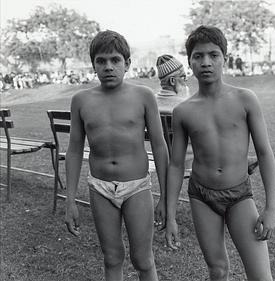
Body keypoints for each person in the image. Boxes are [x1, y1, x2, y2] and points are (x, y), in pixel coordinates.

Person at [165, 25, 275, 281]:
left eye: (213, 55)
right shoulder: (183, 111)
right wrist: (171, 215)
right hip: (201, 195)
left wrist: (271, 209)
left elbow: (264, 153)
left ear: (224, 58)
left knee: (261, 276)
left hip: (239, 195)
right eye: (198, 56)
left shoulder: (245, 99)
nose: (206, 62)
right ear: (189, 62)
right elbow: (175, 165)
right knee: (217, 269)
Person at [64, 30, 168, 281]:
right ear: (93, 65)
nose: (108, 67)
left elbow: (159, 145)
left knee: (143, 260)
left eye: (115, 60)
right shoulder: (81, 100)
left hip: (137, 186)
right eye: (101, 61)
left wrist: (165, 196)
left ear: (128, 64)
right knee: (111, 258)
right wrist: (69, 200)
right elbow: (75, 149)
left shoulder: (143, 96)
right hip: (99, 187)